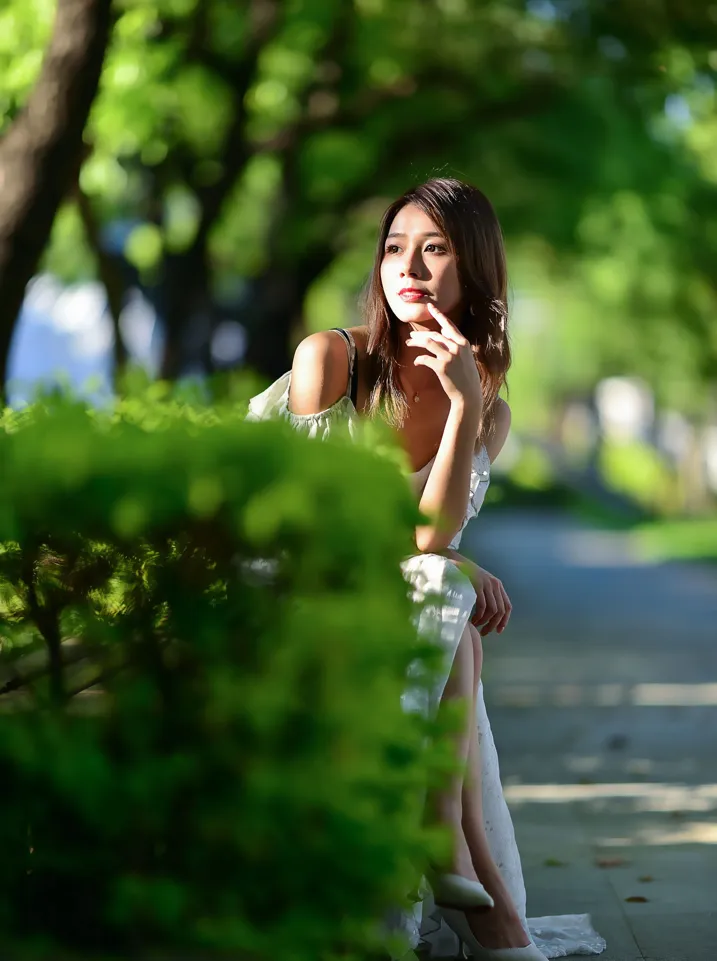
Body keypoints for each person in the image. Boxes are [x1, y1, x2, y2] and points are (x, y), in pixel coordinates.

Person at [246, 178, 605, 961]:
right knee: (448, 593)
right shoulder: (330, 359)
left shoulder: (487, 406)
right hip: (285, 587)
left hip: (387, 596)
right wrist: (454, 561)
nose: (406, 267)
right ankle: (469, 868)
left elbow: (429, 533)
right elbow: (315, 532)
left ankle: (457, 851)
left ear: (473, 270)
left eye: (434, 249)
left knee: (443, 595)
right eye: (393, 248)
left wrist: (464, 403)